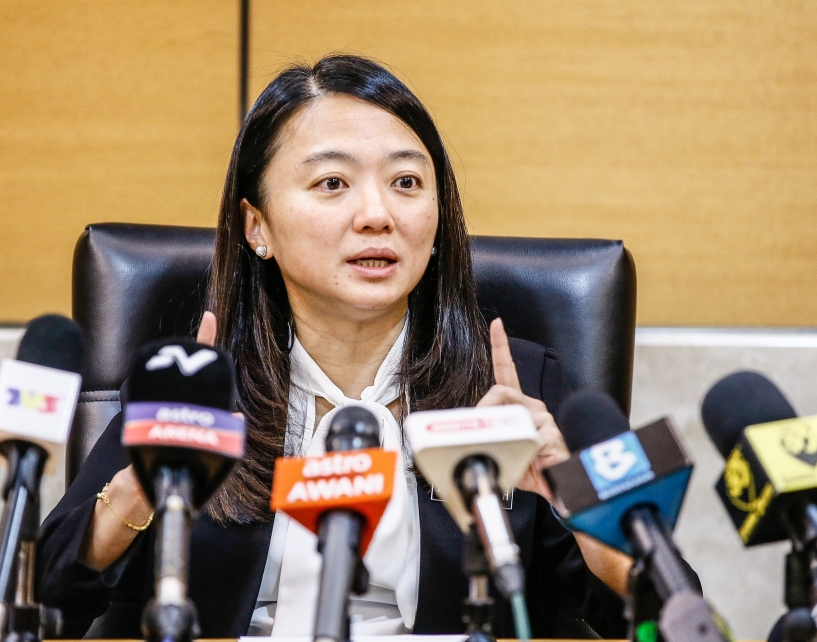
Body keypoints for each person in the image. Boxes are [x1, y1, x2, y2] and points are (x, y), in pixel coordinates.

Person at [37, 54, 631, 639]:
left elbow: (660, 599)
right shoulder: (197, 388)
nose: (377, 215)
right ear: (257, 226)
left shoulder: (518, 386)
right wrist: (141, 492)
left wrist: (574, 498)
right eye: (332, 183)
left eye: (406, 182)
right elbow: (46, 597)